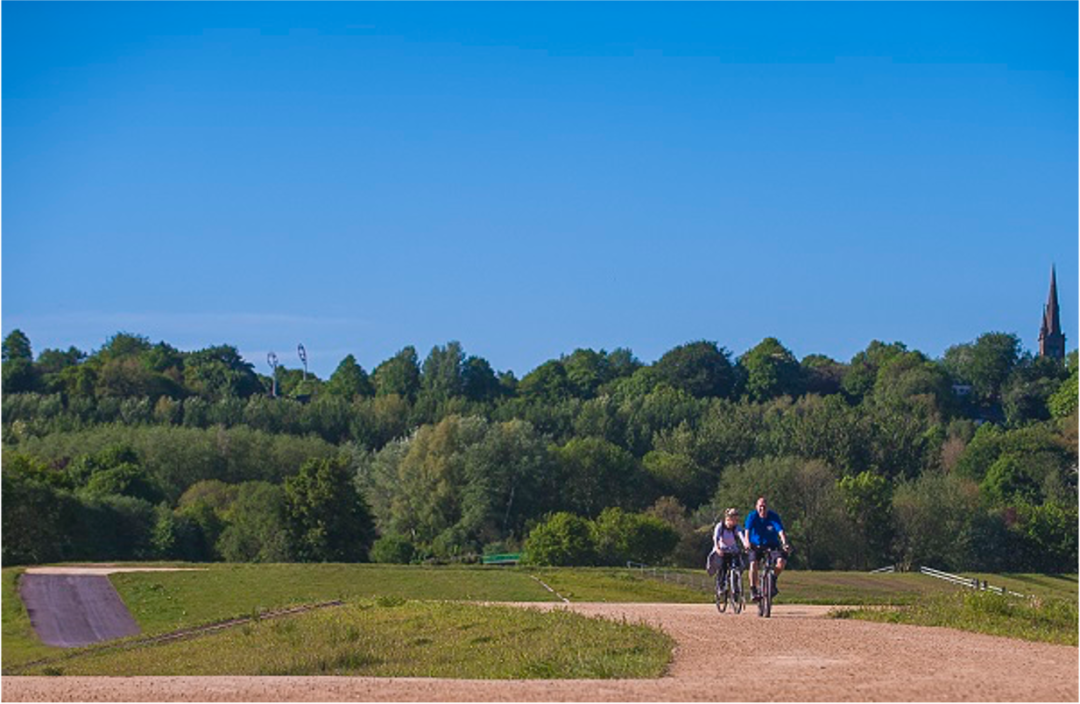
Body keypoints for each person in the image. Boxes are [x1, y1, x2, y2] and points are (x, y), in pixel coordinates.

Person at [744, 496, 789, 601]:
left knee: (781, 561)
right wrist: (747, 542)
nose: (762, 509)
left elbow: (780, 531)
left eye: (764, 507)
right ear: (756, 507)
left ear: (767, 507)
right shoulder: (752, 516)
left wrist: (785, 543)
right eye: (760, 507)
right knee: (753, 563)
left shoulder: (773, 516)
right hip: (756, 545)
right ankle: (753, 589)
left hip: (772, 545)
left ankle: (772, 580)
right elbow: (747, 531)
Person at [707, 508, 750, 594]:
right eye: (734, 519)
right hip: (722, 550)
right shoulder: (720, 526)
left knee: (737, 566)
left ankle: (735, 585)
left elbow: (741, 536)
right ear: (728, 518)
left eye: (736, 519)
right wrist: (718, 548)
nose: (735, 521)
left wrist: (746, 544)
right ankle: (721, 586)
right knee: (723, 566)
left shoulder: (736, 528)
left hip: (733, 550)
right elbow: (715, 538)